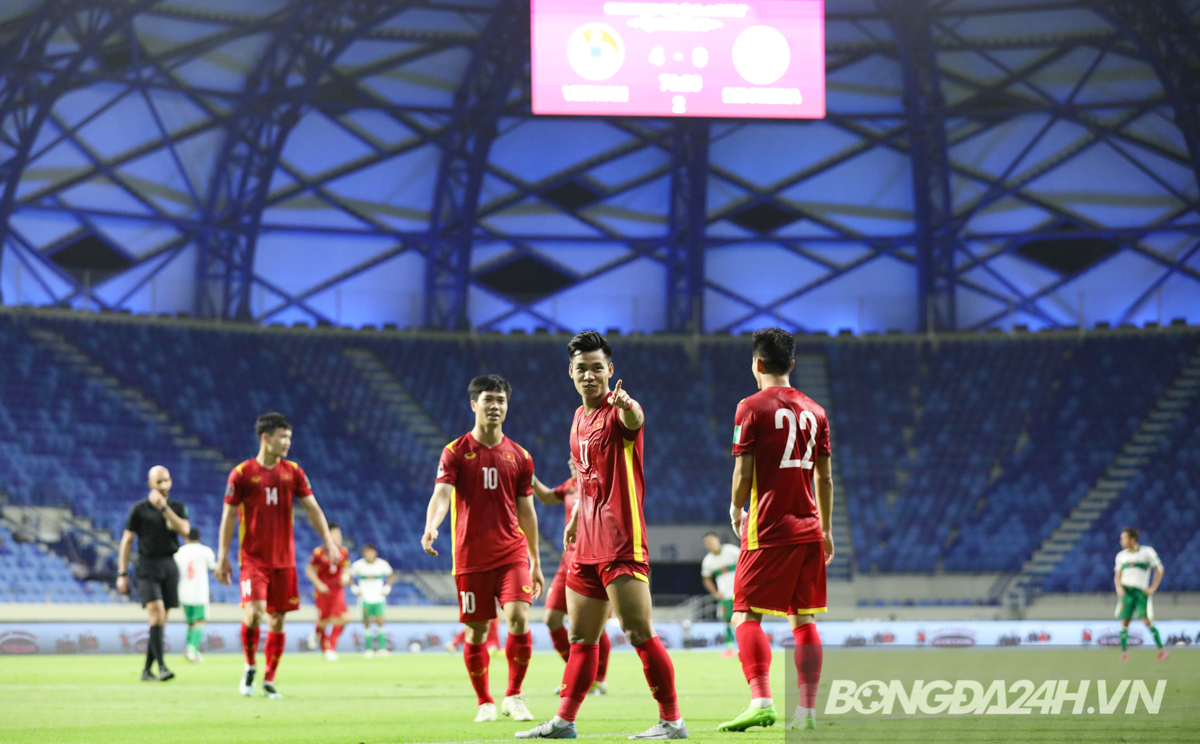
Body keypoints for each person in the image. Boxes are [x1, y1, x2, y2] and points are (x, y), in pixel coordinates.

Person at [517, 331, 687, 741]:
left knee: (638, 633)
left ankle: (672, 721)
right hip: (586, 542)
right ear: (571, 373)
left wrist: (628, 406)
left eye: (597, 368)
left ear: (610, 370)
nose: (590, 375)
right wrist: (575, 519)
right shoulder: (578, 417)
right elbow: (586, 481)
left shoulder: (619, 410)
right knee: (580, 637)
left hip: (621, 540)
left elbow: (635, 420)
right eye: (582, 369)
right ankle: (564, 722)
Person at [717, 328, 834, 734]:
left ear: (758, 364)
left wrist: (736, 508)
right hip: (810, 528)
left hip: (768, 527)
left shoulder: (750, 407)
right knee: (803, 621)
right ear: (793, 365)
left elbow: (742, 470)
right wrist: (828, 529)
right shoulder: (816, 411)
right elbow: (826, 479)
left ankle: (761, 701)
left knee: (744, 614)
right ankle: (806, 712)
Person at [423, 374, 545, 724]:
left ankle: (514, 696)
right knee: (477, 631)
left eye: (501, 400)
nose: (495, 406)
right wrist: (432, 525)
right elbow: (442, 494)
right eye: (488, 399)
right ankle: (485, 701)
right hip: (470, 556)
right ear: (474, 404)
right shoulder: (455, 452)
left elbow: (527, 511)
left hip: (512, 553)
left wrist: (535, 560)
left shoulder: (520, 456)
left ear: (507, 406)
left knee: (519, 619)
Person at [216, 411, 341, 700]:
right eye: (282, 437)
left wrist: (328, 542)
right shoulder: (242, 473)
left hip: (284, 561)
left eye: (289, 437)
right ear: (266, 438)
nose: (287, 442)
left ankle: (269, 679)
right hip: (253, 559)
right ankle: (249, 664)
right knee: (256, 611)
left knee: (278, 621)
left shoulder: (293, 471)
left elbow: (312, 508)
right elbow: (229, 516)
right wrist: (223, 554)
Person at [531, 460, 611, 695]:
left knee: (594, 626)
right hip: (567, 562)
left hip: (593, 561)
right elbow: (546, 497)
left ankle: (598, 679)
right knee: (551, 619)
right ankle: (578, 673)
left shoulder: (602, 483)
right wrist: (530, 475)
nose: (568, 461)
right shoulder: (570, 485)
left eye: (573, 456)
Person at [117, 466, 190, 681]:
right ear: (151, 484)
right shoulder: (139, 509)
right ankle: (163, 667)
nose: (164, 485)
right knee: (157, 614)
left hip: (169, 565)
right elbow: (127, 541)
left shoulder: (176, 507)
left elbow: (185, 530)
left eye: (166, 480)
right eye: (159, 482)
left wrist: (165, 509)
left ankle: (146, 671)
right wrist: (122, 572)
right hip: (147, 566)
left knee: (160, 621)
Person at [1114, 527, 1168, 662]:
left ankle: (1162, 650)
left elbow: (1159, 569)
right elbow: (1117, 575)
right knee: (1124, 620)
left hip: (1140, 591)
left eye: (1124, 538)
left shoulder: (1147, 552)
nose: (1121, 541)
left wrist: (1153, 587)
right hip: (1127, 592)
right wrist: (1119, 587)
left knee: (1146, 619)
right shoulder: (1121, 556)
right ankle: (1124, 653)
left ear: (1132, 539)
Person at [306, 522, 350, 661]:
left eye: (340, 534)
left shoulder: (344, 552)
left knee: (344, 618)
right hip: (323, 591)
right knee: (324, 620)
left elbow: (346, 567)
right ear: (328, 535)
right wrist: (319, 584)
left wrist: (346, 576)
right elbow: (309, 570)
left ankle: (330, 647)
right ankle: (319, 636)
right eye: (336, 534)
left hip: (338, 589)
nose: (339, 536)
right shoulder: (319, 552)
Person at [174, 527, 217, 664]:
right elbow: (214, 567)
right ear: (199, 538)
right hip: (199, 592)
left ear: (186, 538)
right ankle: (191, 649)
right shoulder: (205, 551)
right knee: (200, 622)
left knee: (191, 623)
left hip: (183, 591)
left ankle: (193, 651)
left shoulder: (179, 552)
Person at [349, 544, 394, 658]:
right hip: (365, 598)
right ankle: (369, 649)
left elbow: (391, 575)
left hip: (378, 597)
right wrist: (355, 589)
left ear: (375, 553)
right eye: (366, 552)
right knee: (366, 622)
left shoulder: (382, 564)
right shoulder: (359, 565)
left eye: (371, 552)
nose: (369, 554)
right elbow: (349, 576)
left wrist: (387, 588)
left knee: (380, 621)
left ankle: (382, 649)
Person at [700, 531, 740, 658]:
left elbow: (746, 563)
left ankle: (748, 646)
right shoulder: (708, 561)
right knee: (727, 621)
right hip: (725, 595)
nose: (709, 543)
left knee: (745, 620)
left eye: (711, 540)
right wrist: (715, 593)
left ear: (717, 539)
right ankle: (729, 648)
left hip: (740, 592)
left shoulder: (731, 550)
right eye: (706, 542)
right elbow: (706, 579)